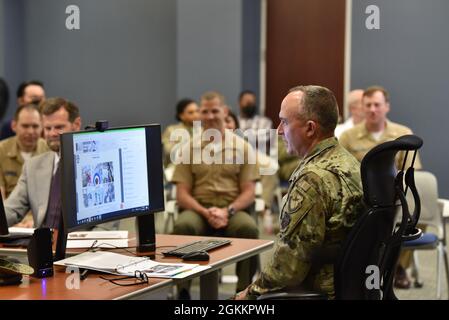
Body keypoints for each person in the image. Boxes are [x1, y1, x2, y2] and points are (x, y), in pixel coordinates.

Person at [235, 85, 364, 300]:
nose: (278, 130)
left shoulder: (312, 180)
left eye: (284, 121)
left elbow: (288, 269)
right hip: (352, 285)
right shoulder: (348, 161)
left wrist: (248, 294)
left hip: (319, 292)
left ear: (310, 129)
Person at [172, 91, 260, 297]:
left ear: (225, 111)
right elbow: (182, 194)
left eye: (214, 110)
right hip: (199, 209)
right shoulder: (188, 148)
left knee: (248, 228)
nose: (210, 116)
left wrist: (226, 211)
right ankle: (183, 291)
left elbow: (249, 192)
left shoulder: (243, 147)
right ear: (200, 114)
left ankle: (243, 292)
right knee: (182, 226)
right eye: (205, 111)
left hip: (232, 209)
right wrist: (206, 212)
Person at [339, 85, 422, 289]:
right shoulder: (348, 136)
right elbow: (342, 171)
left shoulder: (403, 133)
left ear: (387, 107)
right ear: (362, 108)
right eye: (368, 105)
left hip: (396, 197)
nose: (373, 109)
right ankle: (367, 268)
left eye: (377, 104)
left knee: (413, 214)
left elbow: (414, 170)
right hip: (362, 198)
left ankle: (397, 267)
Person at [4, 97, 80, 228]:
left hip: (84, 244)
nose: (52, 133)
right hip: (41, 244)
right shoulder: (32, 166)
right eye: (48, 128)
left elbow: (106, 221)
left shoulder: (94, 162)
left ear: (76, 125)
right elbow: (12, 209)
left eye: (59, 127)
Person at [0, 103, 48, 199]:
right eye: (25, 126)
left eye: (35, 126)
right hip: (10, 211)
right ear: (14, 126)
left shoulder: (49, 150)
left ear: (42, 126)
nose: (30, 132)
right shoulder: (1, 150)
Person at [161, 98, 199, 170]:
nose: (196, 115)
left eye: (197, 111)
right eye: (191, 112)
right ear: (181, 116)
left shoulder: (203, 130)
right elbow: (169, 153)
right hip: (176, 170)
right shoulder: (171, 130)